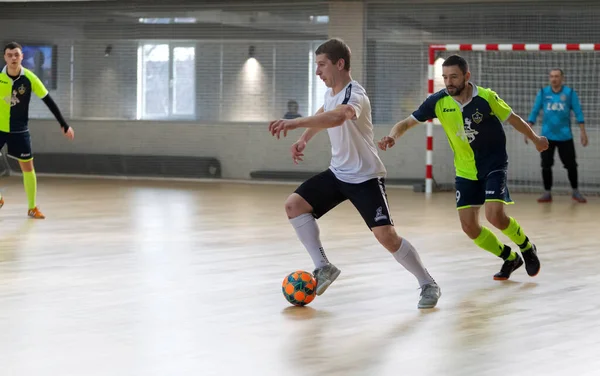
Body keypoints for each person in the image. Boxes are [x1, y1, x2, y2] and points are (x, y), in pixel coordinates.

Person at [268, 38, 441, 309]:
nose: (317, 72)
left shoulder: (354, 94)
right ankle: (323, 267)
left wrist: (293, 122)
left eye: (322, 65)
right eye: (316, 66)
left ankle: (427, 283)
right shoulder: (331, 93)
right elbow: (325, 111)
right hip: (338, 174)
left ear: (340, 64)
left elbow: (338, 116)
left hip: (365, 177)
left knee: (387, 237)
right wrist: (304, 138)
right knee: (294, 205)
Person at [379, 55, 548, 281]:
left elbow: (513, 118)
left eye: (454, 77)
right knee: (469, 227)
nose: (449, 82)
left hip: (493, 164)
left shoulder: (486, 98)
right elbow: (407, 122)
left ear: (467, 77)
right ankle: (509, 258)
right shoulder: (438, 101)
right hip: (465, 170)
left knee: (495, 216)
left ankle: (526, 247)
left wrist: (535, 138)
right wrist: (392, 136)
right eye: (445, 77)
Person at [1, 42, 75, 218]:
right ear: (5, 57)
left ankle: (32, 207)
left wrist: (64, 124)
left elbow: (48, 101)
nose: (13, 58)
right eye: (9, 55)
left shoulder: (30, 78)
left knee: (28, 168)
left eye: (16, 55)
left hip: (19, 130)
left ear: (22, 57)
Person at [527, 68, 588, 203]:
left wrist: (583, 132)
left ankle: (575, 191)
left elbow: (578, 113)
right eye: (551, 76)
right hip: (546, 137)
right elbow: (534, 112)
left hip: (565, 136)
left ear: (562, 78)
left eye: (557, 76)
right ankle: (547, 193)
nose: (554, 79)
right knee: (546, 165)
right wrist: (528, 130)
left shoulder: (570, 93)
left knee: (571, 165)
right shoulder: (543, 93)